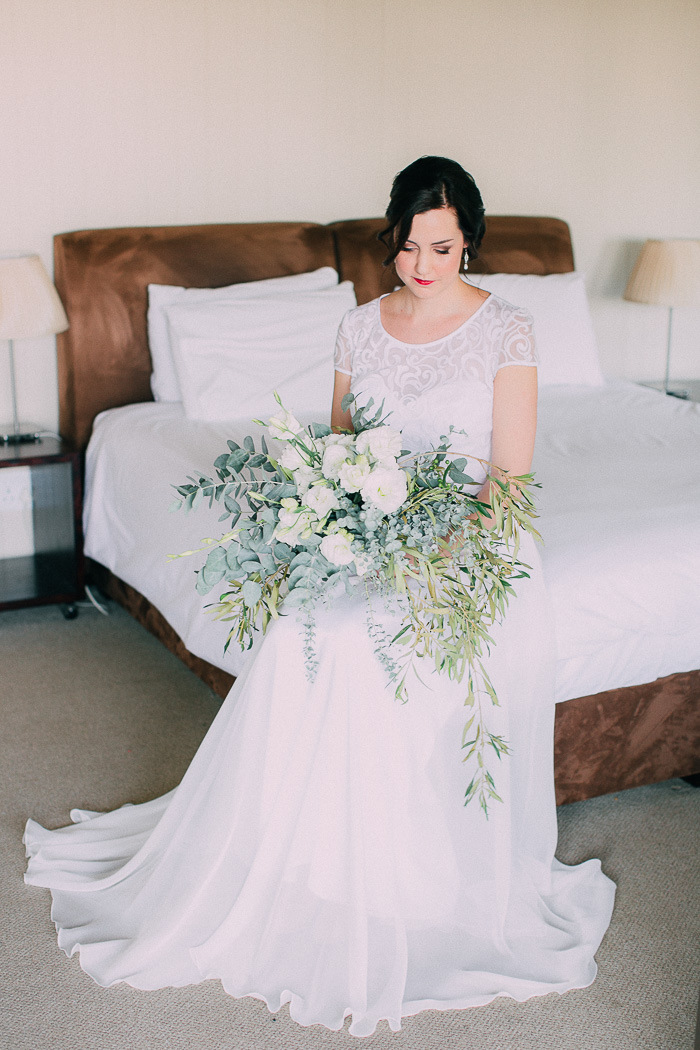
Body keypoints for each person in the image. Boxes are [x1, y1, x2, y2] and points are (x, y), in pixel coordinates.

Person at [24, 156, 615, 1038]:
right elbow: (342, 454)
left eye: (443, 247)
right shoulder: (361, 329)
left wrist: (433, 560)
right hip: (373, 530)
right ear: (393, 240)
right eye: (410, 245)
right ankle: (312, 860)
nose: (423, 264)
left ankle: (412, 871)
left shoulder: (509, 331)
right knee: (317, 626)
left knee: (367, 638)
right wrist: (343, 529)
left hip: (473, 546)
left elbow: (509, 481)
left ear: (471, 245)